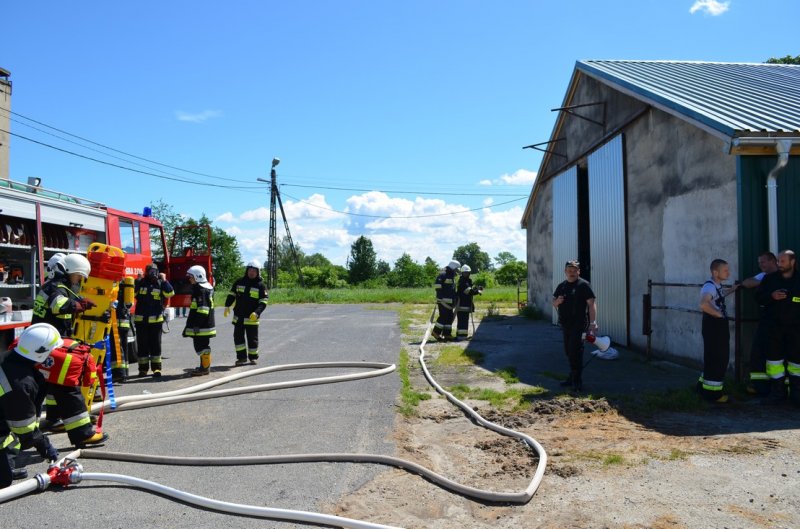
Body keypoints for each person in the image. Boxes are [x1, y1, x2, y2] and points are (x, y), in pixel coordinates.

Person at [32, 253, 96, 431]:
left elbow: (69, 305)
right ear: (70, 271)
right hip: (48, 342)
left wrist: (84, 307)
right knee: (49, 384)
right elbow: (58, 306)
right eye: (78, 276)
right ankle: (34, 429)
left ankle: (53, 418)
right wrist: (79, 305)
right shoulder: (57, 287)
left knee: (50, 383)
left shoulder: (59, 287)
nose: (79, 280)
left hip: (47, 341)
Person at [0, 323, 62, 488]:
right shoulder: (21, 384)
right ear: (40, 353)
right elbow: (24, 430)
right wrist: (45, 446)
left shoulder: (6, 358)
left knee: (8, 438)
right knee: (4, 480)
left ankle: (5, 466)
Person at [36, 337, 108, 448]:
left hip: (34, 355)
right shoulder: (77, 362)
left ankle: (54, 420)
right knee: (71, 396)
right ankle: (83, 435)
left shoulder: (70, 356)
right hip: (59, 360)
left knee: (53, 385)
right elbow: (85, 384)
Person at [756, 250, 800, 406]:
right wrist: (771, 296)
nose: (779, 264)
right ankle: (777, 394)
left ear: (792, 262)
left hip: (796, 330)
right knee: (774, 362)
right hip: (774, 329)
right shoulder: (770, 279)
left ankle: (796, 395)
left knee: (797, 363)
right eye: (778, 261)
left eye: (782, 261)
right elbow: (759, 297)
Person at [698, 259, 739, 403]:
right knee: (719, 358)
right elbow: (703, 304)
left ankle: (702, 388)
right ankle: (713, 395)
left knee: (712, 357)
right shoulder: (709, 287)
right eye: (725, 270)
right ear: (715, 272)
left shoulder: (715, 285)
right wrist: (719, 315)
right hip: (714, 326)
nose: (728, 272)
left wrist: (732, 289)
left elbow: (717, 297)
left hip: (714, 325)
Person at [552, 260, 597, 391]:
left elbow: (592, 304)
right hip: (566, 324)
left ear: (579, 271)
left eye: (574, 270)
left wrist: (593, 323)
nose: (572, 273)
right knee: (568, 351)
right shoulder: (562, 286)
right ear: (565, 271)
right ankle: (572, 377)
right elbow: (553, 302)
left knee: (575, 351)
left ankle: (577, 382)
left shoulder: (583, 285)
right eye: (569, 270)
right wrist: (557, 302)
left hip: (580, 324)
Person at [740, 252, 779, 396]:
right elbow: (747, 283)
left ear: (773, 261)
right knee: (759, 351)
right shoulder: (764, 277)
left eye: (763, 262)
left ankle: (781, 387)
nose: (760, 265)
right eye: (759, 263)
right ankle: (760, 386)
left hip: (783, 321)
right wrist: (765, 281)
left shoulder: (786, 277)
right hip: (766, 319)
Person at [224, 260, 269, 366]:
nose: (251, 272)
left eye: (254, 270)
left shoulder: (260, 285)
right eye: (250, 270)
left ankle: (253, 357)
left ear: (258, 272)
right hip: (238, 316)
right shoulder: (239, 282)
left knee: (252, 339)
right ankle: (241, 358)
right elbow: (232, 294)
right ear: (247, 270)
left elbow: (263, 302)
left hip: (252, 317)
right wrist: (227, 305)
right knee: (238, 338)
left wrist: (257, 313)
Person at [134, 263, 174, 377]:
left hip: (156, 322)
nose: (153, 273)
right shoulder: (141, 282)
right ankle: (143, 369)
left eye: (155, 271)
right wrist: (138, 280)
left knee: (156, 345)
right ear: (146, 272)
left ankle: (156, 369)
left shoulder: (161, 283)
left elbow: (170, 293)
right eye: (150, 271)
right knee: (142, 346)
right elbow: (133, 293)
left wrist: (164, 280)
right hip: (141, 321)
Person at [183, 265, 216, 376]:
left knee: (201, 346)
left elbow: (203, 309)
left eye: (191, 277)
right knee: (202, 345)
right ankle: (204, 366)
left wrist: (196, 324)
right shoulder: (206, 288)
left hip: (202, 326)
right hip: (205, 325)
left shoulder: (200, 290)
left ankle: (205, 368)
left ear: (197, 277)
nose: (190, 279)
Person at [432, 260, 460, 341]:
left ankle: (447, 334)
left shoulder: (451, 276)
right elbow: (438, 286)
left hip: (450, 302)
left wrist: (455, 298)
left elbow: (452, 289)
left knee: (449, 317)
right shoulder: (443, 274)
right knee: (443, 317)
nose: (457, 271)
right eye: (456, 269)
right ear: (453, 267)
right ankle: (435, 332)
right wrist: (440, 298)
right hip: (443, 301)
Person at [455, 264, 482, 341]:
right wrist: (477, 291)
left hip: (465, 304)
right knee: (463, 321)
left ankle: (461, 335)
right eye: (465, 272)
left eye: (468, 272)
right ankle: (461, 336)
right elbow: (468, 291)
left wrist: (476, 289)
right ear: (462, 273)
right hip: (462, 304)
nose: (466, 274)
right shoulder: (463, 281)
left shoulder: (466, 281)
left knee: (463, 320)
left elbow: (470, 289)